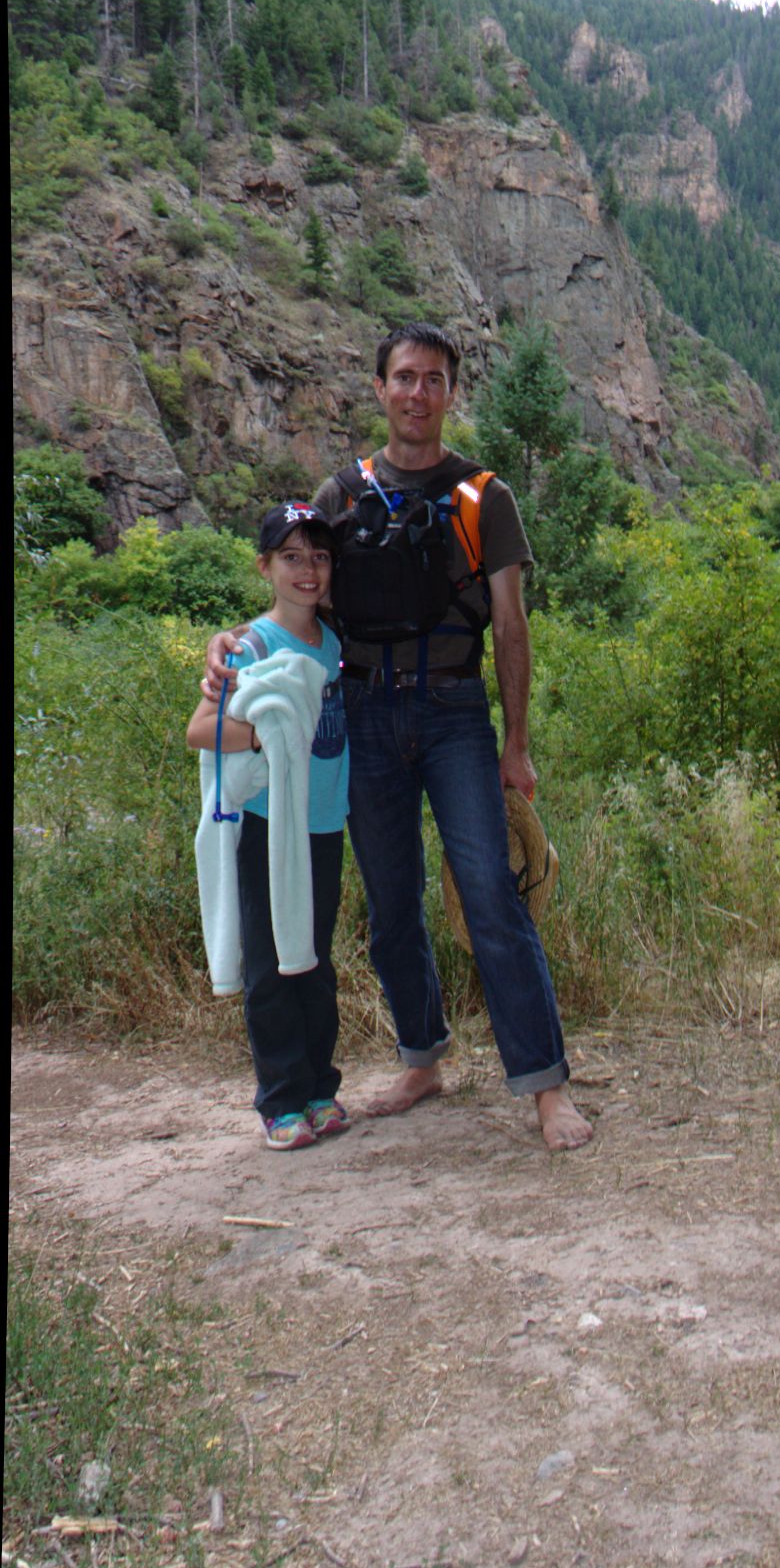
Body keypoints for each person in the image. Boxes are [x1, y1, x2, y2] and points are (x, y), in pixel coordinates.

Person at [203, 323, 592, 1153]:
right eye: (404, 377)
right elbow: (297, 592)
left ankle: (545, 1085)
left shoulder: (485, 495)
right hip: (364, 714)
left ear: (452, 393)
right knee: (389, 906)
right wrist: (233, 642)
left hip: (454, 711)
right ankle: (422, 1056)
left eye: (434, 379)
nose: (418, 393)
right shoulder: (341, 494)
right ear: (379, 389)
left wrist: (515, 743)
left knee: (490, 890)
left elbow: (511, 625)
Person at [188, 502, 350, 1152]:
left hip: (322, 824)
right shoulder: (251, 644)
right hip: (264, 824)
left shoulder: (334, 642)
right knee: (270, 962)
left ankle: (320, 1088)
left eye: (318, 556)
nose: (306, 570)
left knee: (313, 958)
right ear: (265, 567)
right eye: (291, 557)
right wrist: (266, 731)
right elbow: (200, 728)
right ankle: (280, 1100)